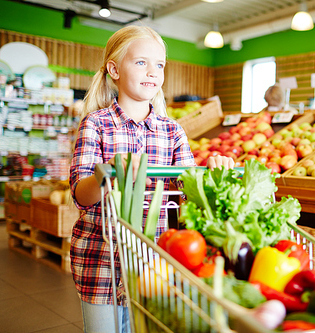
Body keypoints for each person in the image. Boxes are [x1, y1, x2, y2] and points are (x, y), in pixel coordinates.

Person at [69, 25, 233, 333]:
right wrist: (110, 175)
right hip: (102, 259)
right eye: (141, 62)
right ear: (114, 69)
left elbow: (187, 189)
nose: (152, 71)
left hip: (156, 259)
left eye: (159, 64)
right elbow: (81, 193)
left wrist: (214, 173)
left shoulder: (173, 130)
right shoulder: (96, 124)